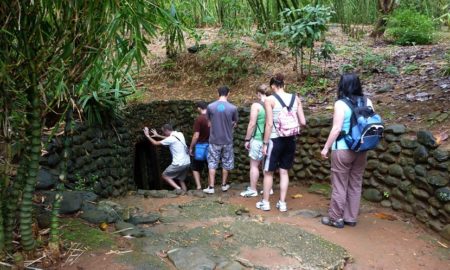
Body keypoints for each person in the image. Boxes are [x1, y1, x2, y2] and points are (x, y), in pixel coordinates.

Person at [320, 74, 372, 228]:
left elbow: (336, 129)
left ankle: (335, 218)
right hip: (361, 149)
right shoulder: (367, 101)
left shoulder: (340, 104)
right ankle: (350, 217)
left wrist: (326, 147)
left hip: (343, 148)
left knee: (340, 184)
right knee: (355, 183)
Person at [257, 73, 306, 211]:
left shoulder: (270, 100)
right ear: (284, 84)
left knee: (269, 172)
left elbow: (268, 124)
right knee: (284, 172)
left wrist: (265, 144)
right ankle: (282, 203)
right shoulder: (295, 98)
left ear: (273, 86)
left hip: (274, 139)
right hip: (290, 139)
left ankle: (265, 203)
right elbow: (303, 121)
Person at [203, 86, 239, 194]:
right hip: (227, 140)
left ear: (217, 93)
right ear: (228, 94)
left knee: (212, 162)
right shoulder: (233, 108)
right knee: (226, 162)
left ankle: (211, 187)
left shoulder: (210, 107)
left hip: (214, 139)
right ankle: (223, 185)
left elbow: (208, 123)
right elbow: (235, 123)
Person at [240, 84, 271, 197]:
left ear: (258, 93)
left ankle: (253, 189)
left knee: (254, 165)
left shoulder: (256, 106)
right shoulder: (273, 103)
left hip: (258, 138)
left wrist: (247, 139)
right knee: (267, 165)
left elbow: (252, 123)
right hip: (269, 139)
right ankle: (269, 188)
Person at [143, 124, 190, 194]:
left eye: (163, 132)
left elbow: (155, 143)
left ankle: (178, 189)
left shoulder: (170, 139)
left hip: (178, 163)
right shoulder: (179, 134)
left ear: (167, 130)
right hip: (187, 162)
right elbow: (168, 138)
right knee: (181, 180)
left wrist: (147, 136)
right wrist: (158, 136)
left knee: (165, 175)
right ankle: (185, 194)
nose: (164, 133)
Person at [189, 101, 210, 190]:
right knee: (210, 167)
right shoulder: (212, 118)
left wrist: (191, 147)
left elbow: (196, 135)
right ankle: (210, 186)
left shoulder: (199, 119)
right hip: (211, 146)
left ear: (199, 108)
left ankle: (199, 186)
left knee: (195, 167)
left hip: (200, 147)